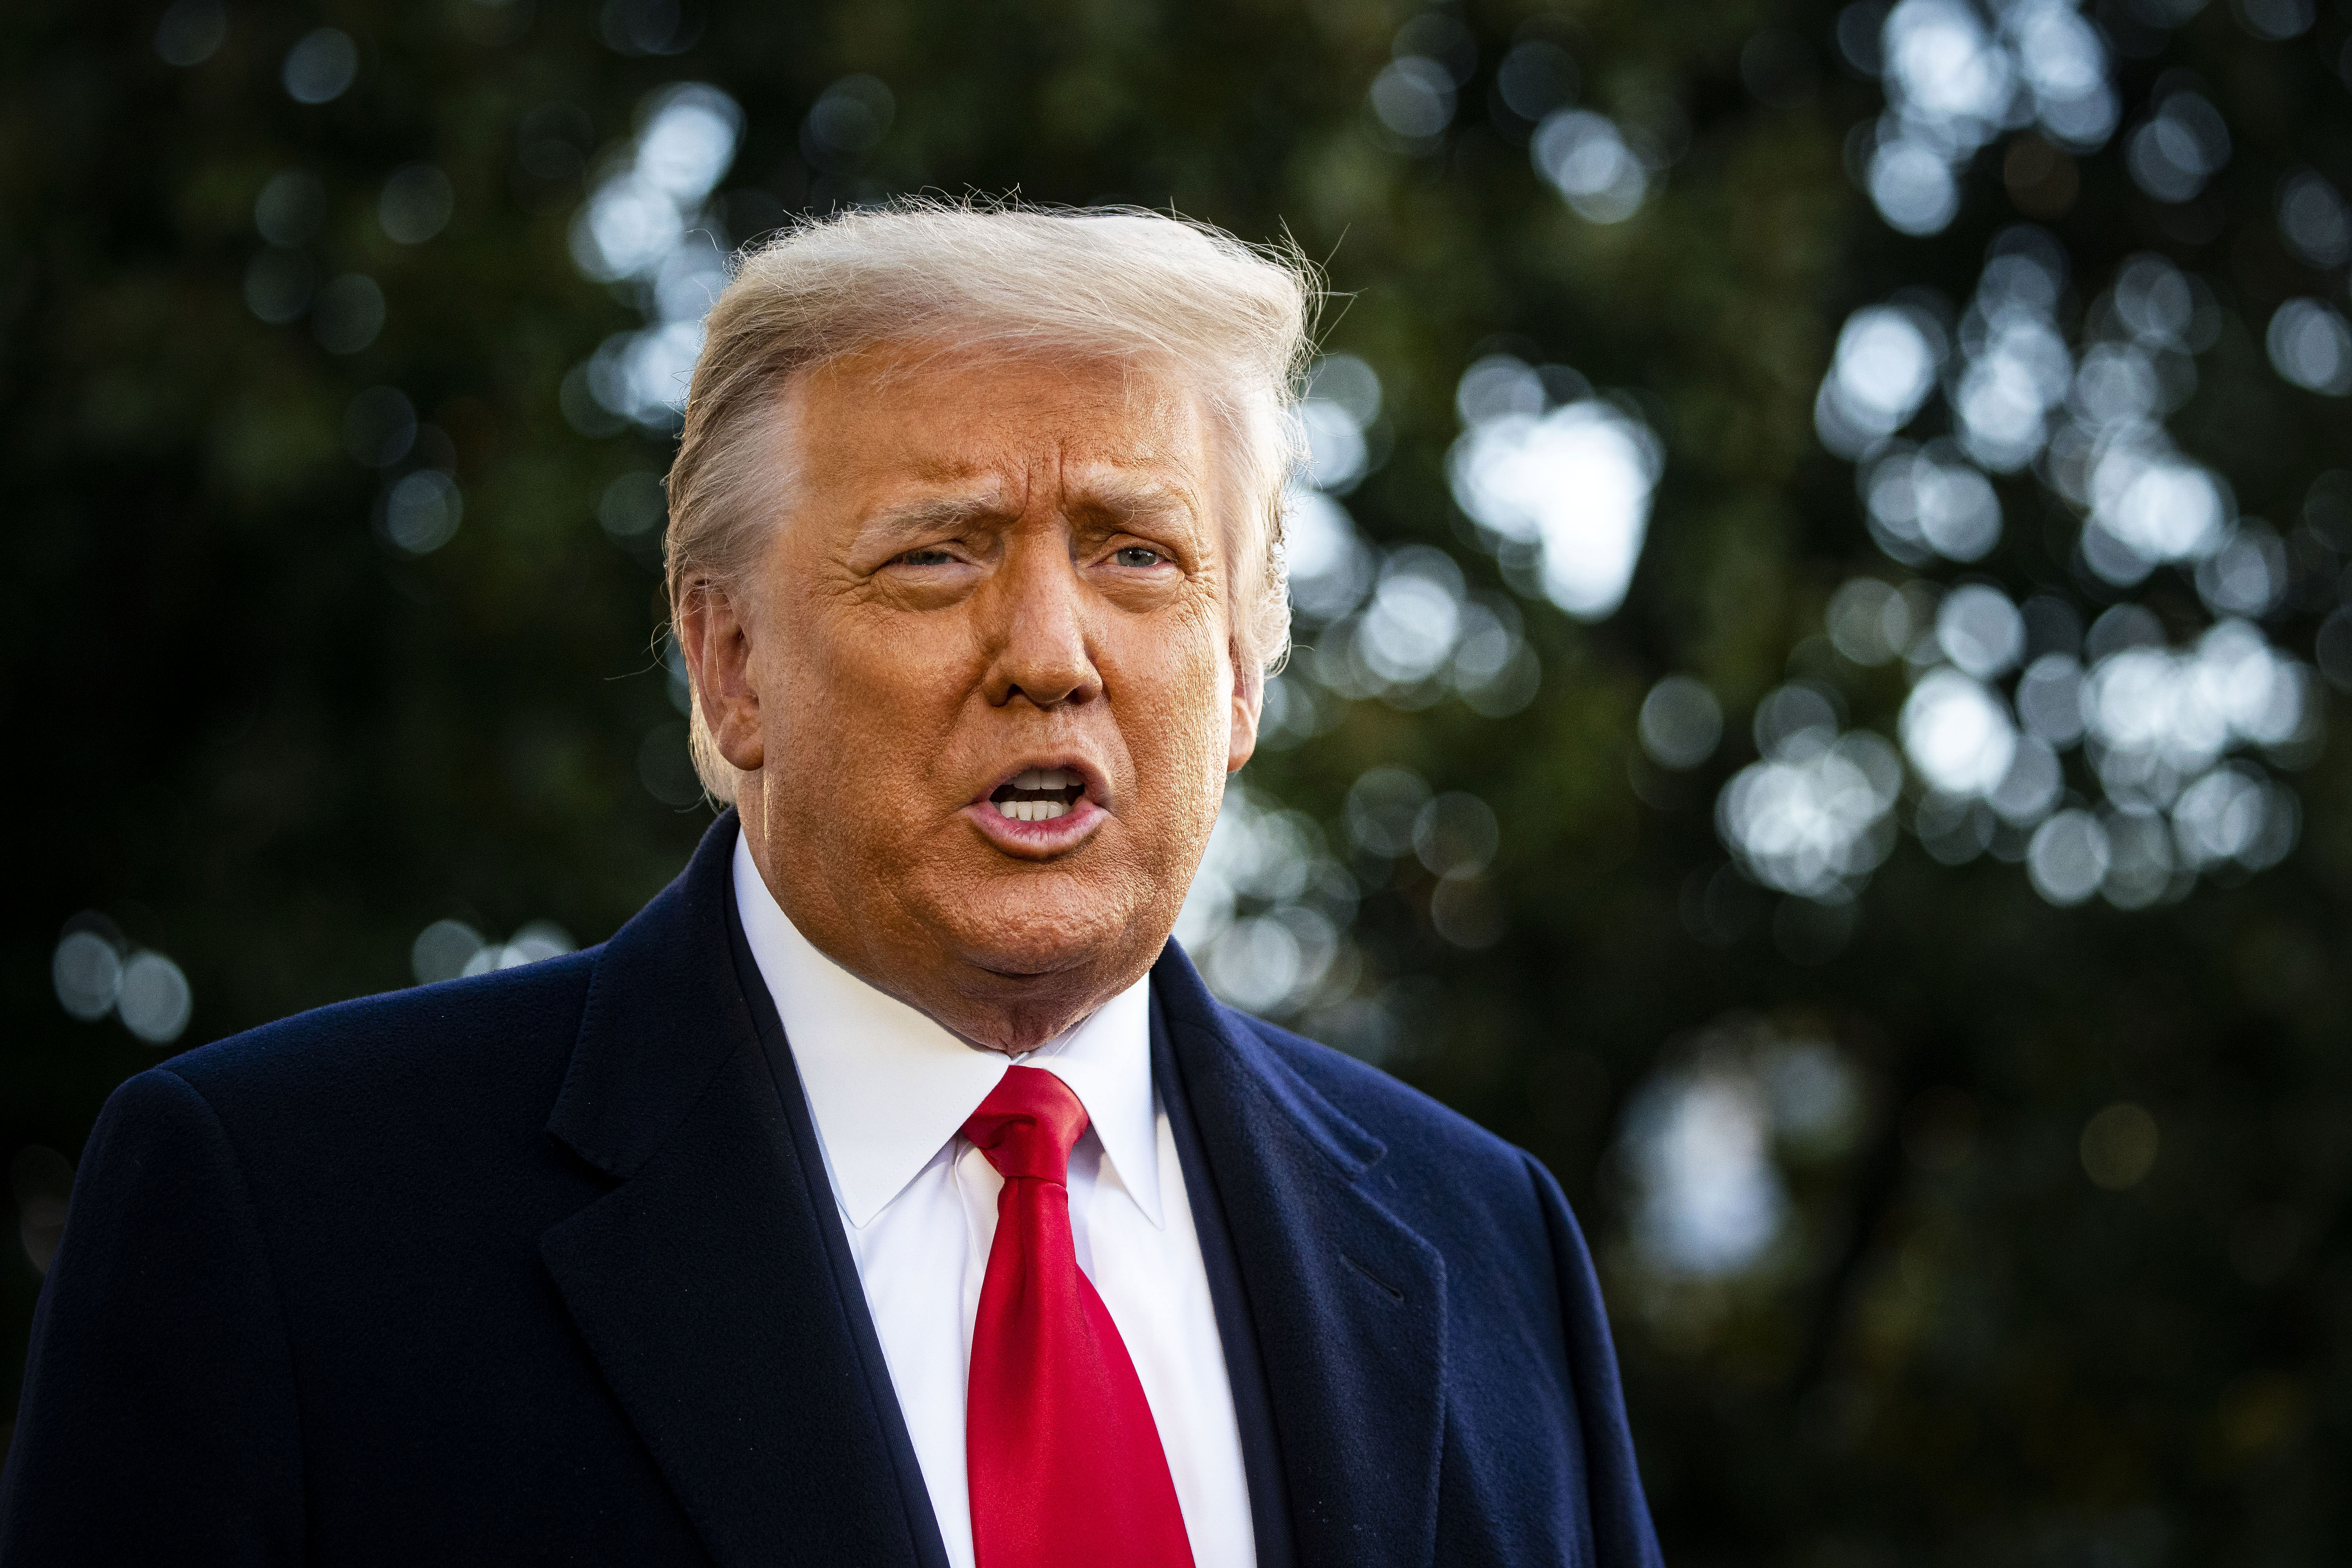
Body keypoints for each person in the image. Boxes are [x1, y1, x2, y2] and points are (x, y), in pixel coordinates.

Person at [0, 201, 1661, 1568]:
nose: (1049, 655)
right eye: (937, 552)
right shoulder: (288, 1220)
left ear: (1238, 680)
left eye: (1135, 553)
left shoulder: (1485, 1235)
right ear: (729, 668)